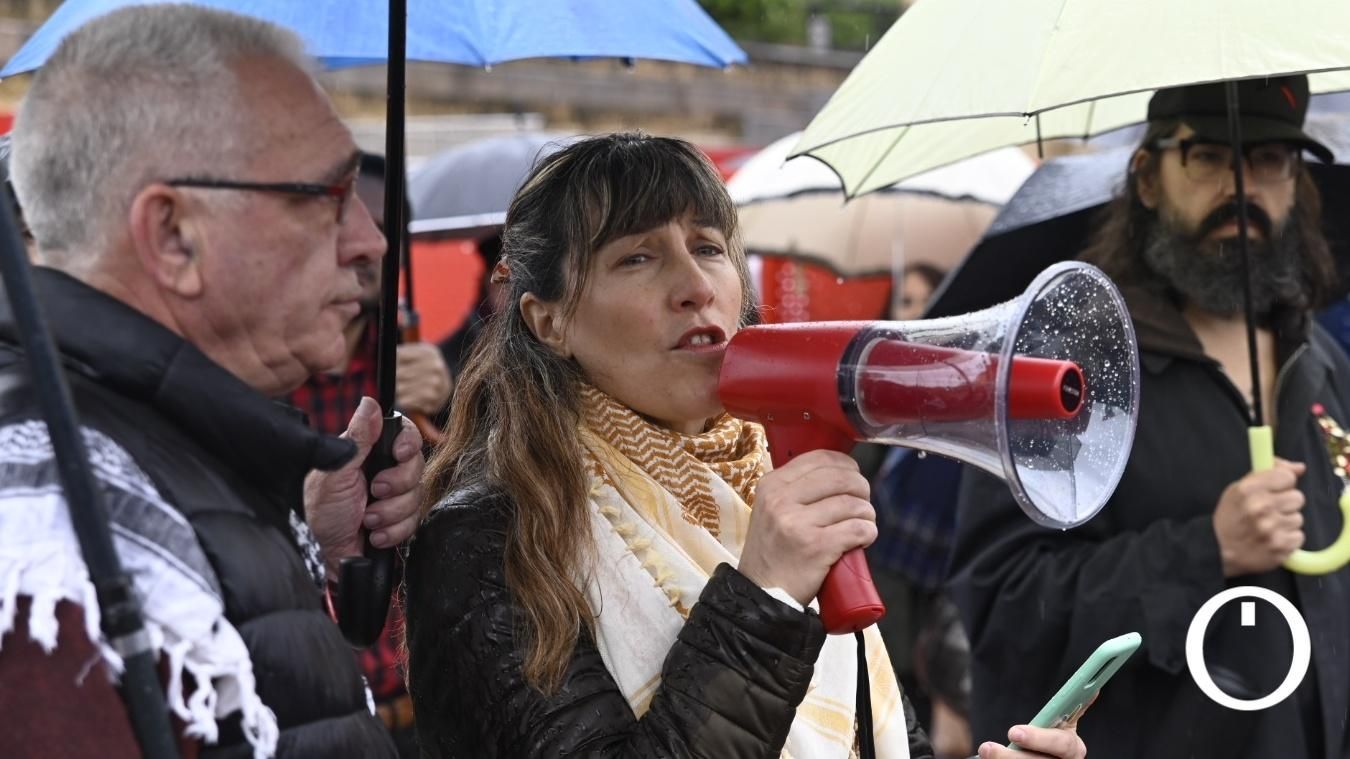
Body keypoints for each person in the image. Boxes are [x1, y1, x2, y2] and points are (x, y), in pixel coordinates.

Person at [403, 132, 1086, 759]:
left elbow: (865, 734)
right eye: (637, 257)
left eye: (708, 247)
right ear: (547, 320)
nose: (696, 287)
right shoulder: (490, 537)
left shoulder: (764, 481)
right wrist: (766, 594)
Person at [0, 7, 424, 757]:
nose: (370, 240)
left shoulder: (145, 447)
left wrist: (302, 550)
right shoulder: (51, 533)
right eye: (326, 197)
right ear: (172, 236)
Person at [949, 75, 1350, 759]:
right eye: (1208, 157)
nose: (1242, 188)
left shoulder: (1323, 363)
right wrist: (1205, 549)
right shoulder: (1064, 370)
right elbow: (1004, 606)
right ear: (1146, 177)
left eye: (1269, 160)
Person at [286, 151, 451, 758]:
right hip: (309, 704)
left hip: (413, 708)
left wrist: (452, 405)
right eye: (341, 223)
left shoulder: (411, 362)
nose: (366, 245)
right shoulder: (270, 374)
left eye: (385, 228)